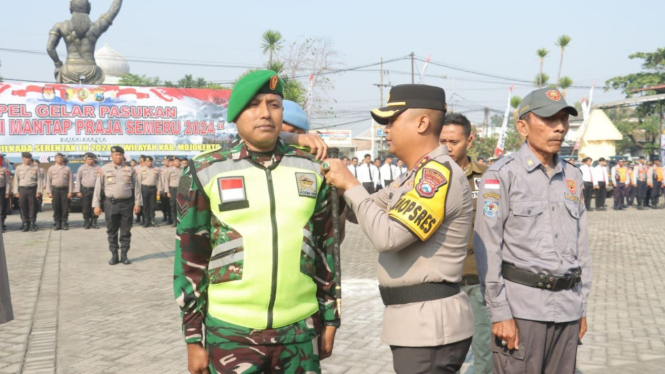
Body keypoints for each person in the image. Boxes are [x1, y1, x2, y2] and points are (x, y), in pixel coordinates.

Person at [174, 70, 339, 374]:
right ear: (236, 116)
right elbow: (190, 259)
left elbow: (325, 248)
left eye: (274, 104)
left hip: (299, 332)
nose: (265, 113)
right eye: (254, 105)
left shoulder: (312, 169)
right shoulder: (206, 170)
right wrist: (193, 338)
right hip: (231, 331)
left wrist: (330, 319)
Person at [323, 84, 474, 374]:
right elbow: (364, 210)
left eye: (392, 121)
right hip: (416, 323)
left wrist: (351, 184)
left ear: (422, 122)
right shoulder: (412, 176)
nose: (385, 129)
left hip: (429, 327)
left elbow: (388, 236)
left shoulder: (435, 175)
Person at [474, 88, 591, 374]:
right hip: (522, 311)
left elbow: (582, 246)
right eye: (550, 119)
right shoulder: (502, 175)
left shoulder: (573, 176)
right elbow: (487, 248)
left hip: (568, 308)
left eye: (563, 119)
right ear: (523, 126)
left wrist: (582, 307)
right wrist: (500, 313)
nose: (560, 127)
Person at [439, 112, 492, 374]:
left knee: (484, 348)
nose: (447, 148)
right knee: (443, 350)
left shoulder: (488, 178)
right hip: (440, 283)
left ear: (469, 140)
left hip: (477, 279)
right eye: (442, 141)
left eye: (454, 142)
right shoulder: (426, 178)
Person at [92, 146, 142, 265]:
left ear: (123, 156)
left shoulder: (130, 170)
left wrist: (138, 203)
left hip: (127, 204)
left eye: (120, 154)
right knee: (112, 230)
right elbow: (98, 188)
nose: (118, 157)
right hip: (111, 204)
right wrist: (96, 205)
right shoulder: (104, 169)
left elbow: (137, 188)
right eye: (116, 155)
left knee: (126, 230)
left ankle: (124, 255)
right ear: (111, 156)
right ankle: (114, 254)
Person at [13, 153, 43, 232]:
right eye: (25, 158)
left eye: (29, 158)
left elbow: (39, 180)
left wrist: (39, 191)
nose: (27, 160)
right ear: (22, 159)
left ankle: (32, 223)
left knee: (32, 206)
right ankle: (25, 223)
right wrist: (16, 192)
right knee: (23, 206)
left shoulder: (35, 168)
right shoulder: (19, 168)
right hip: (22, 189)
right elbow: (16, 180)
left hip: (32, 189)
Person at [46, 153, 74, 230]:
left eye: (61, 157)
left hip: (64, 190)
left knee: (65, 207)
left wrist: (70, 191)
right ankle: (57, 223)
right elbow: (48, 180)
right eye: (58, 157)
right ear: (55, 159)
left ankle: (64, 223)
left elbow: (70, 181)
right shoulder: (51, 168)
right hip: (55, 190)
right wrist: (49, 191)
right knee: (56, 207)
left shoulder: (67, 168)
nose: (60, 159)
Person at [75, 152, 102, 229]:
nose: (91, 160)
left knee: (95, 206)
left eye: (92, 159)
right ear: (85, 160)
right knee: (86, 207)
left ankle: (94, 222)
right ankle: (86, 222)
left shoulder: (98, 168)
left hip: (95, 190)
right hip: (85, 190)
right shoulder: (81, 168)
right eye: (89, 159)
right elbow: (78, 180)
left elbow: (101, 180)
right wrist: (78, 191)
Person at [138, 156, 161, 228]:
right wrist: (138, 191)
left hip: (153, 189)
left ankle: (152, 220)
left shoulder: (156, 169)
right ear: (144, 162)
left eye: (151, 161)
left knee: (152, 206)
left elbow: (159, 180)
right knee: (145, 206)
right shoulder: (141, 170)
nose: (149, 163)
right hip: (144, 189)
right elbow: (138, 181)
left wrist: (159, 190)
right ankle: (146, 221)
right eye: (148, 161)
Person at [164, 157, 182, 228]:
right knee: (173, 205)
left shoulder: (183, 170)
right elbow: (166, 181)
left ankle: (180, 221)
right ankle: (174, 221)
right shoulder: (169, 170)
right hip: (173, 189)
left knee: (180, 206)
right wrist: (167, 191)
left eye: (178, 161)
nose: (177, 162)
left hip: (181, 189)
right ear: (173, 162)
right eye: (176, 161)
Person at [160, 156, 172, 223]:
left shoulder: (171, 169)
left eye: (167, 161)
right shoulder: (161, 169)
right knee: (164, 204)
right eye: (165, 161)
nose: (166, 162)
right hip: (163, 189)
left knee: (170, 205)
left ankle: (170, 217)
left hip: (170, 188)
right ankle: (165, 216)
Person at [0, 161, 10, 231]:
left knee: (2, 207)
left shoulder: (4, 170)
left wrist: (7, 192)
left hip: (2, 190)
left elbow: (8, 182)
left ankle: (1, 224)